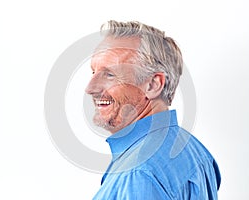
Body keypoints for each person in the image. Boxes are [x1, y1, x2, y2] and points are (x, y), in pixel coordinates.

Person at [85, 20, 221, 200]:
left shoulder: (137, 173)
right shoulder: (196, 150)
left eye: (109, 75)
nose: (90, 88)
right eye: (93, 72)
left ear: (152, 84)